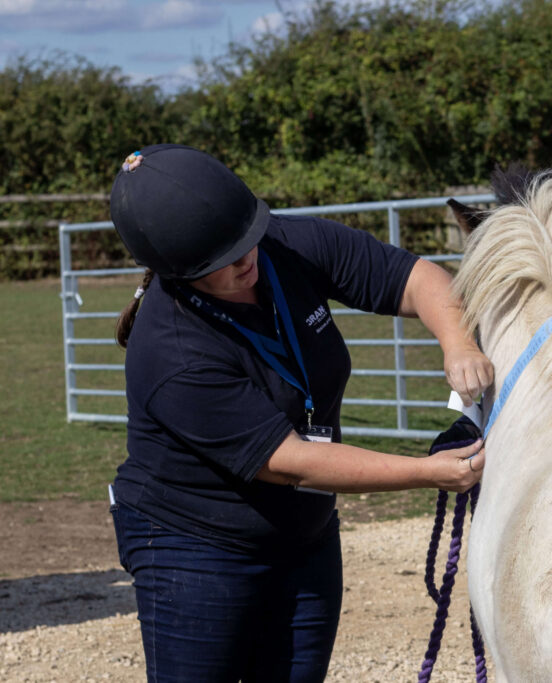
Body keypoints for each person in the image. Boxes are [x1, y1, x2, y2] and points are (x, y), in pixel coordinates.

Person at [107, 143, 493, 681]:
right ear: (178, 272)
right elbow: (292, 462)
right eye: (224, 261)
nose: (248, 260)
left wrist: (458, 343)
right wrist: (427, 473)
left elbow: (415, 278)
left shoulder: (279, 245)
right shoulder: (171, 351)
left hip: (304, 536)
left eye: (247, 241)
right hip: (195, 547)